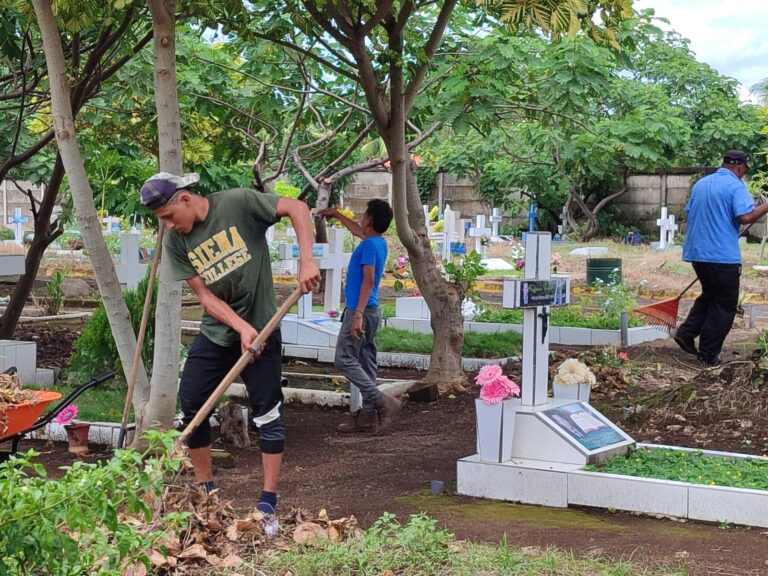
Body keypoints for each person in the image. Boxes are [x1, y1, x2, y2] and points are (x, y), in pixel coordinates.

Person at [139, 172, 320, 531]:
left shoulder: (237, 202)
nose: (169, 226)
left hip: (264, 327)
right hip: (220, 331)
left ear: (185, 199)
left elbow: (297, 207)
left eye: (169, 217)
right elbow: (205, 298)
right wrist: (239, 327)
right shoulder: (176, 242)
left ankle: (268, 504)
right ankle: (207, 496)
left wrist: (306, 261)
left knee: (267, 411)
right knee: (191, 402)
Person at [675, 150, 768, 366]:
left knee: (711, 295)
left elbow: (691, 211)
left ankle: (686, 333)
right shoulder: (735, 186)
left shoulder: (701, 184)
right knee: (725, 304)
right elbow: (744, 217)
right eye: (744, 171)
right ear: (740, 167)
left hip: (698, 253)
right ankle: (709, 353)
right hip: (722, 256)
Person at [316, 200, 402, 433]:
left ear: (370, 220)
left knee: (343, 359)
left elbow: (369, 279)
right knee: (365, 360)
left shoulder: (367, 247)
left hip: (361, 310)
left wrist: (357, 315)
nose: (361, 218)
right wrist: (336, 214)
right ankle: (367, 417)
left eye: (365, 214)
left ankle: (382, 401)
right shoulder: (377, 242)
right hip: (372, 310)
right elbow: (357, 230)